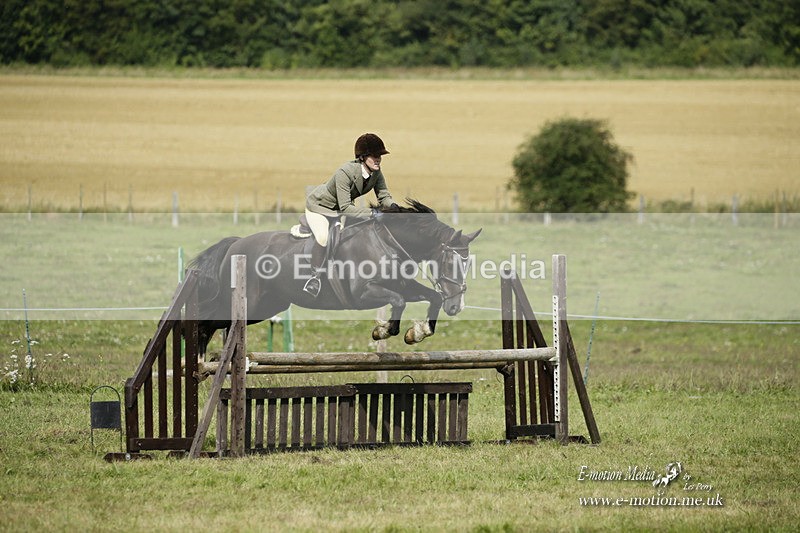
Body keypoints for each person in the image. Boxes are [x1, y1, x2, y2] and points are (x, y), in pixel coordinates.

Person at [302, 133, 397, 297]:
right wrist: (373, 213)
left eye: (380, 156)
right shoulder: (344, 173)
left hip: (338, 210)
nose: (378, 159)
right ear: (363, 157)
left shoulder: (376, 173)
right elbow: (346, 208)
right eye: (374, 156)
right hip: (320, 207)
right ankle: (315, 278)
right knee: (324, 237)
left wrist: (395, 209)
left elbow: (384, 196)